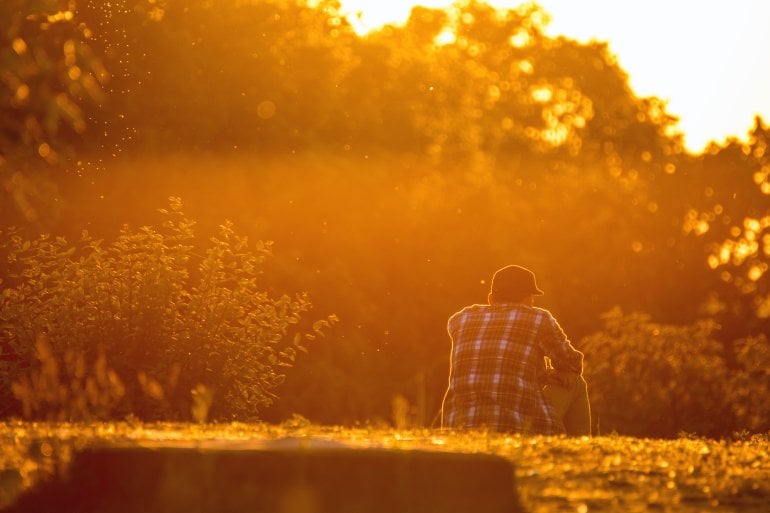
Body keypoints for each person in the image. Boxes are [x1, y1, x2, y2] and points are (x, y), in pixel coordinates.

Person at [441, 265, 591, 436]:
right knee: (575, 381)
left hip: (459, 429)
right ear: (528, 299)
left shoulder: (461, 320)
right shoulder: (538, 318)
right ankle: (579, 451)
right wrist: (561, 372)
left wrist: (543, 375)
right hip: (516, 428)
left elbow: (498, 363)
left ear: (491, 298)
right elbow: (572, 363)